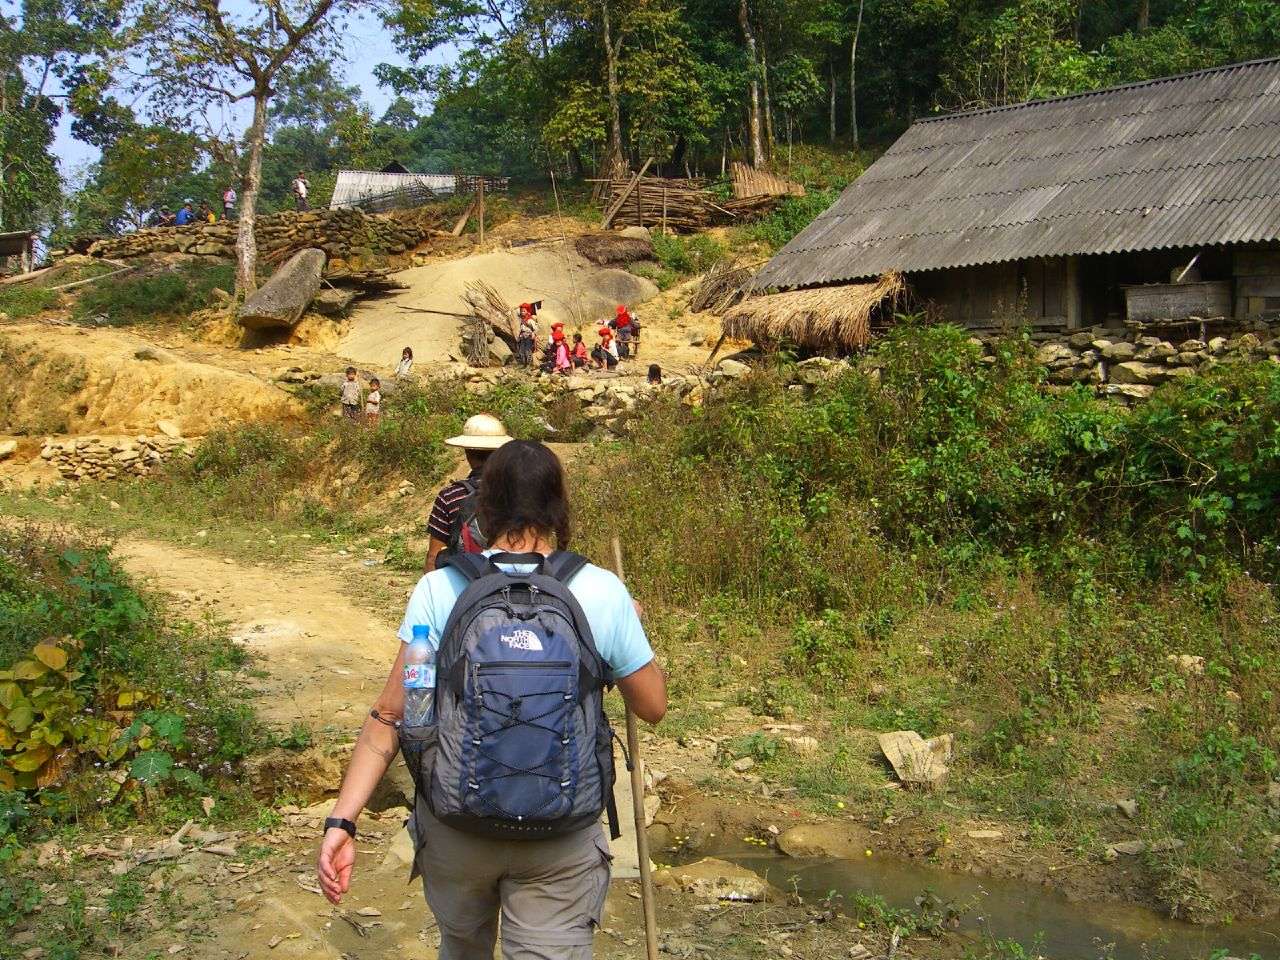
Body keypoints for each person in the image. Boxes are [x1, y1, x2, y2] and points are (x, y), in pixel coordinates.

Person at [317, 440, 667, 960]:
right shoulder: (601, 591)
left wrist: (342, 822)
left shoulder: (439, 591)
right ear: (558, 507)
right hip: (561, 837)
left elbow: (396, 717)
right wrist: (627, 627)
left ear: (484, 508)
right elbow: (652, 706)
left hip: (457, 833)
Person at [423, 414, 512, 572]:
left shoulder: (450, 496)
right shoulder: (517, 492)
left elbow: (433, 557)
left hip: (465, 581)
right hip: (507, 585)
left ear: (467, 453)